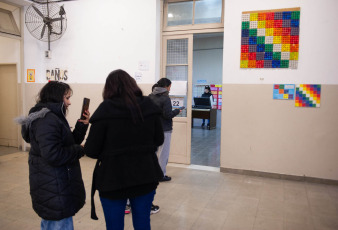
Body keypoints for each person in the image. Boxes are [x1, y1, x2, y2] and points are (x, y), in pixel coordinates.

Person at [84, 69, 164, 230]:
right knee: (142, 224)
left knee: (114, 226)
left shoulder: (105, 109)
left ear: (109, 88)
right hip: (145, 174)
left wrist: (111, 152)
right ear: (132, 84)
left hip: (113, 178)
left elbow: (91, 150)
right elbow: (159, 139)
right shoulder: (149, 105)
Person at [16, 81, 90, 230]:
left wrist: (82, 125)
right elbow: (54, 154)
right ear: (57, 97)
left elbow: (66, 144)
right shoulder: (47, 120)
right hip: (54, 187)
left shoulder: (52, 117)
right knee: (59, 224)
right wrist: (80, 150)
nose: (69, 103)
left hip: (55, 185)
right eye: (67, 98)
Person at [149, 78, 180, 182]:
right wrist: (177, 111)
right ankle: (161, 175)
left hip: (152, 128)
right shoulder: (165, 98)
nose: (170, 89)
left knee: (153, 152)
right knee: (163, 153)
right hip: (164, 129)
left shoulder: (150, 96)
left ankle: (152, 173)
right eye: (170, 86)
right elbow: (167, 115)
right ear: (166, 86)